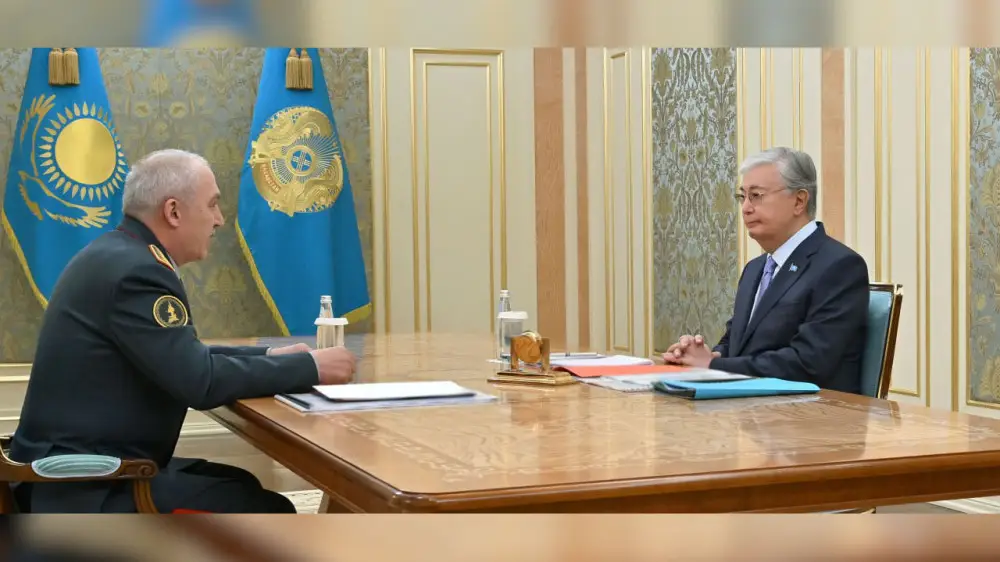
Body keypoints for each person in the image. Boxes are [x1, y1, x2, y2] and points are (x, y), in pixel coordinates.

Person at [9, 149, 357, 513]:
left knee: (242, 486)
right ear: (173, 211)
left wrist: (271, 355)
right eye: (212, 205)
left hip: (82, 474)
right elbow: (199, 381)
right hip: (83, 489)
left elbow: (185, 356)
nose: (219, 220)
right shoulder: (137, 272)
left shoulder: (120, 254)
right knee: (268, 512)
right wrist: (312, 368)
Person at [663, 147, 869, 393]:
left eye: (756, 196)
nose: (745, 208)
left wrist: (714, 365)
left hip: (811, 412)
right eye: (742, 197)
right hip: (750, 406)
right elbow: (738, 343)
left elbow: (809, 362)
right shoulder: (755, 269)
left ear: (799, 201)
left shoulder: (839, 266)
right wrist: (706, 355)